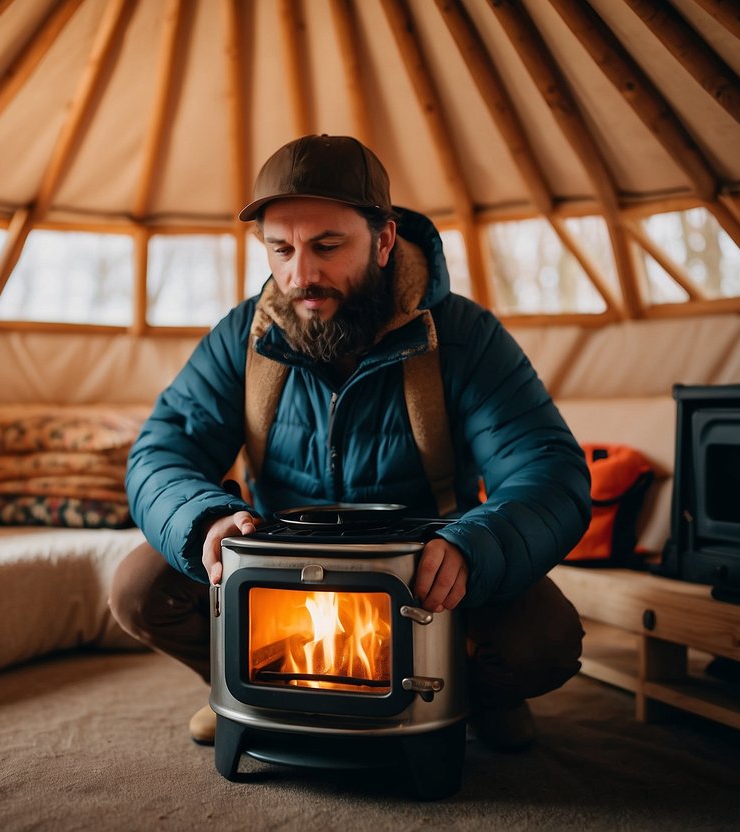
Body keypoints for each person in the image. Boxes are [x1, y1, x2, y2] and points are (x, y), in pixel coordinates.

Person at [110, 134, 591, 752]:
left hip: (422, 581)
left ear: (384, 239)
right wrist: (204, 520)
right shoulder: (243, 336)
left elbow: (550, 471)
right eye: (280, 249)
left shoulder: (465, 337)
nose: (300, 275)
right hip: (280, 577)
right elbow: (160, 452)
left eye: (327, 246)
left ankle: (472, 696)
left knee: (544, 642)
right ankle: (242, 689)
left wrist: (475, 546)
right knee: (139, 591)